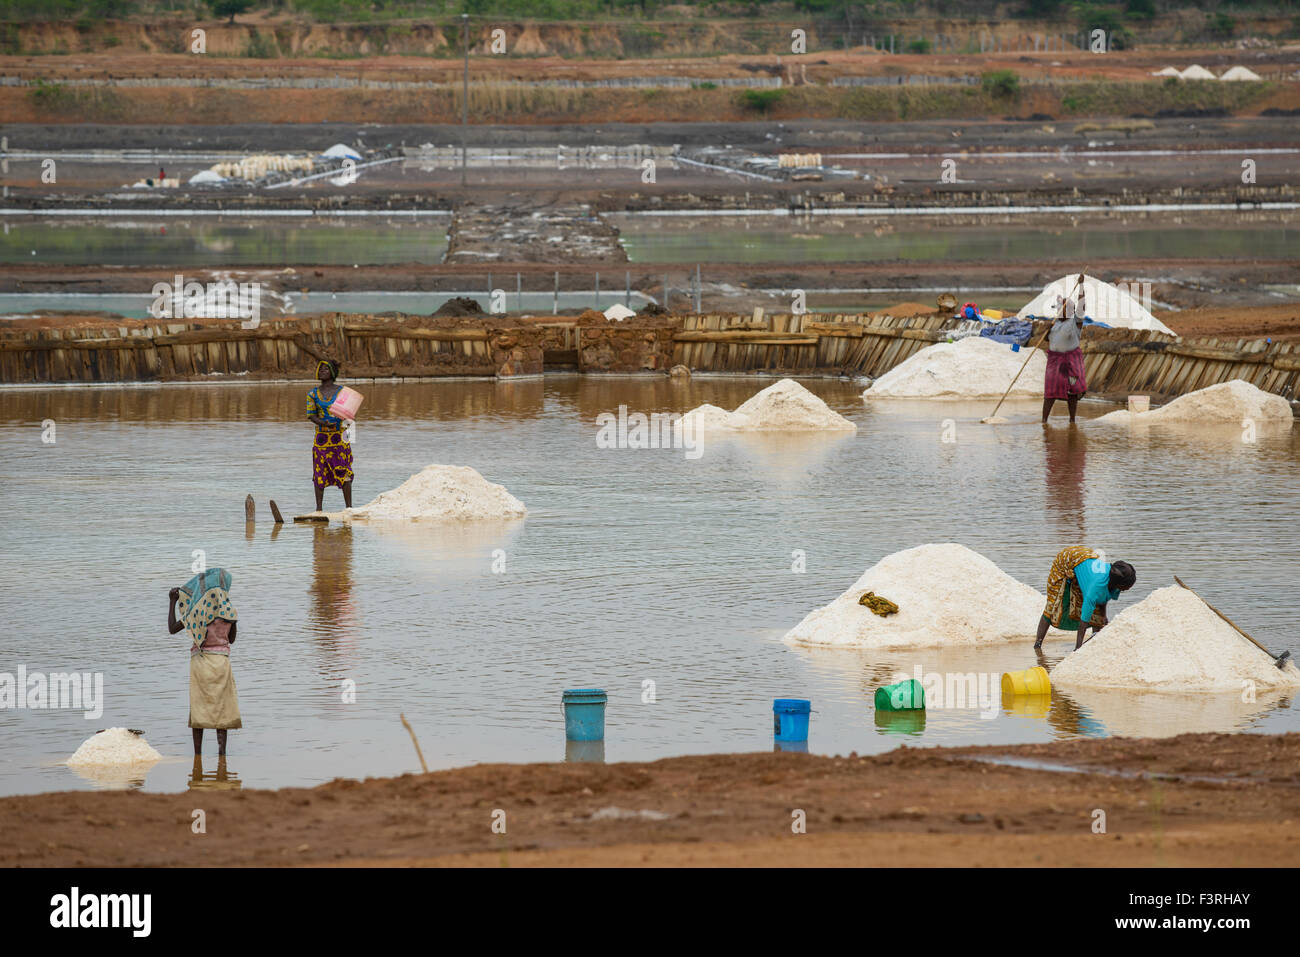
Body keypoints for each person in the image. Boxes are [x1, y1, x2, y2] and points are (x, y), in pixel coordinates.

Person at [168, 568, 242, 756]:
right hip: (222, 664)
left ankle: (198, 754)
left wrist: (172, 601)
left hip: (201, 664)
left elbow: (172, 628)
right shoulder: (229, 612)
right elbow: (231, 639)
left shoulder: (198, 612)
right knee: (222, 710)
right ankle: (221, 753)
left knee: (199, 708)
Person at [1035, 546, 1136, 651]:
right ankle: (1037, 645)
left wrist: (1103, 617)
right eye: (1125, 587)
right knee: (1053, 605)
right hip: (1067, 560)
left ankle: (1094, 648)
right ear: (1118, 584)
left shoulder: (1114, 578)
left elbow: (1103, 599)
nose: (1126, 590)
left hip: (1085, 559)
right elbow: (1083, 622)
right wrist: (1077, 649)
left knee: (1098, 616)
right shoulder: (1094, 588)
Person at [307, 358, 354, 511]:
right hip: (321, 440)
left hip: (340, 438)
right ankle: (318, 509)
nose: (322, 372)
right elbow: (311, 415)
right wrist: (323, 423)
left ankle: (349, 508)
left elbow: (350, 416)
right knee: (319, 472)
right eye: (320, 369)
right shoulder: (313, 394)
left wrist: (349, 440)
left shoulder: (343, 392)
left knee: (344, 470)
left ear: (333, 373)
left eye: (325, 369)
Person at [1042, 275, 1088, 424]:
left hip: (1070, 362)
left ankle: (1072, 420)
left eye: (1062, 309)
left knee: (1072, 392)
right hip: (1054, 362)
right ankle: (1044, 420)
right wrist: (1046, 332)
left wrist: (1081, 286)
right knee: (1050, 393)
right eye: (1058, 309)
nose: (1058, 311)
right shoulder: (1054, 324)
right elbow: (1049, 340)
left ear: (1068, 310)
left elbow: (1081, 306)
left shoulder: (1075, 322)